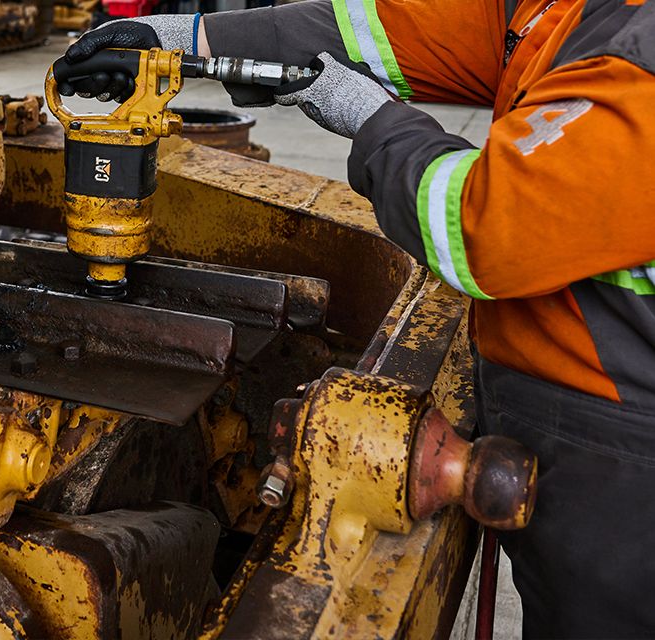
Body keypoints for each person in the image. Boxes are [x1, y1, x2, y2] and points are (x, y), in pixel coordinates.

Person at [56, 1, 655, 637]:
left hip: (627, 466)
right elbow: (371, 34)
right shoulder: (562, 8)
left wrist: (372, 119)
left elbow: (486, 224)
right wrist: (172, 37)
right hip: (573, 426)